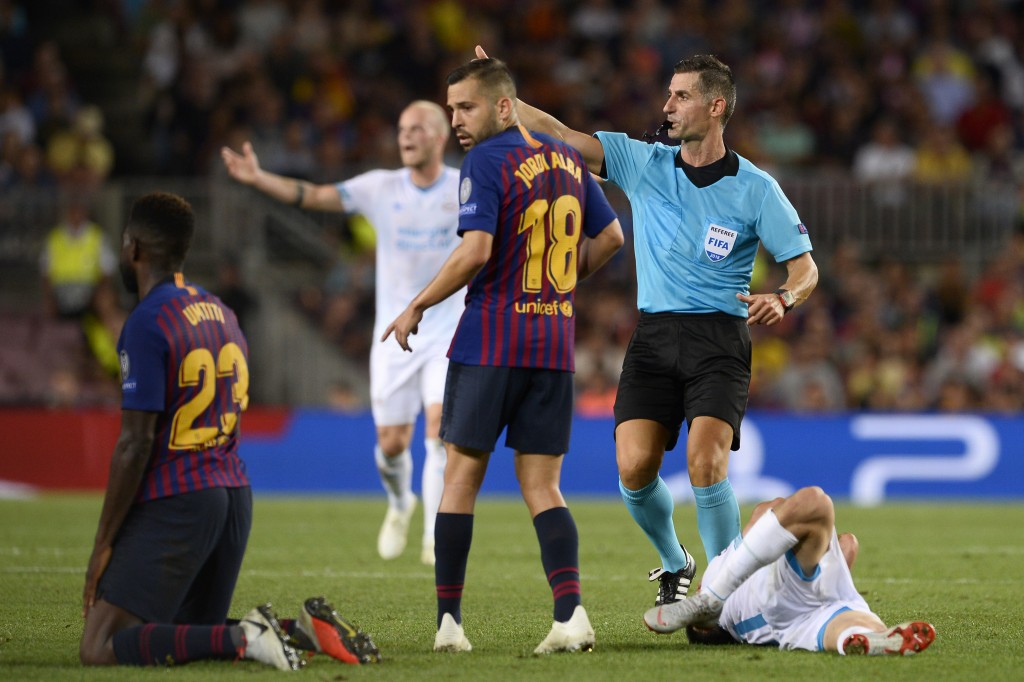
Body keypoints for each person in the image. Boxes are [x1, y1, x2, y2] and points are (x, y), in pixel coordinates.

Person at [476, 46, 818, 611]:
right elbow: (561, 135)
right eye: (669, 94)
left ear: (715, 105)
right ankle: (674, 560)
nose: (669, 105)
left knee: (707, 460)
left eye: (681, 95)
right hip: (654, 337)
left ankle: (724, 593)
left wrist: (783, 297)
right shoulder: (643, 162)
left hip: (718, 339)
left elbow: (805, 268)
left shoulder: (757, 187)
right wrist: (507, 101)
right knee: (634, 467)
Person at [382, 58, 624, 654]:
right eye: (451, 108)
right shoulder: (566, 158)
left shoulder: (485, 161)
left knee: (460, 478)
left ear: (503, 105)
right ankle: (570, 616)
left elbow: (475, 250)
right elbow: (612, 237)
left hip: (489, 341)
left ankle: (449, 625)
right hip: (552, 346)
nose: (455, 121)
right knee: (543, 486)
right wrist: (561, 285)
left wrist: (417, 304)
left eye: (465, 107)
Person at [78, 192, 378, 670]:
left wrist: (103, 544)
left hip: (182, 498)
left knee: (98, 648)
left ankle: (247, 636)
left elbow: (135, 443)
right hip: (233, 494)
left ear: (132, 247)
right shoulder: (221, 311)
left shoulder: (146, 321)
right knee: (184, 636)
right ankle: (296, 631)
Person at [221, 100, 462, 566]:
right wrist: (258, 178)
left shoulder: (463, 187)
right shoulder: (379, 187)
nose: (406, 136)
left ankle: (435, 534)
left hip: (447, 331)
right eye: (401, 128)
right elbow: (312, 196)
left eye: (416, 128)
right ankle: (399, 503)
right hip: (394, 335)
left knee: (439, 431)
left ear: (439, 136)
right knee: (391, 443)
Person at [642, 486, 937, 657]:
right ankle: (713, 598)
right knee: (814, 501)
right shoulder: (717, 572)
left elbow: (845, 546)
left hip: (794, 622)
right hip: (778, 592)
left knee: (848, 628)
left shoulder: (747, 630)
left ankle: (866, 637)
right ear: (704, 624)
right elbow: (768, 510)